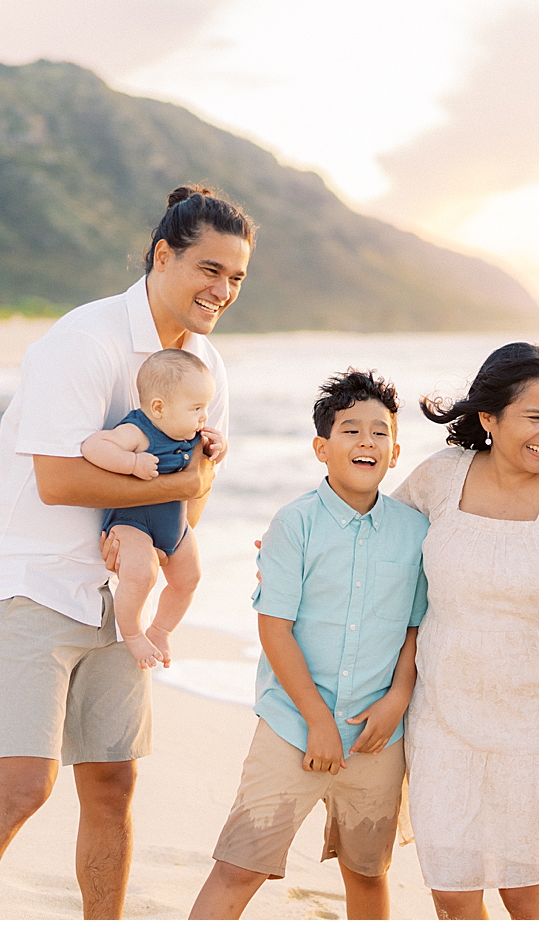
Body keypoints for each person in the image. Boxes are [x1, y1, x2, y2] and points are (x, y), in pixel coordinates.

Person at [0, 186, 254, 920]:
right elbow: (56, 478)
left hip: (120, 597)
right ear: (162, 256)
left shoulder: (207, 368)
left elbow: (194, 499)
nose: (222, 290)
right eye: (209, 269)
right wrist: (176, 481)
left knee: (112, 784)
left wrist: (173, 496)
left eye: (236, 277)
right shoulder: (85, 340)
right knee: (22, 785)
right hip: (31, 577)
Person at [390, 342, 539, 920]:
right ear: (488, 417)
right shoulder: (438, 479)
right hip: (442, 718)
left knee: (525, 894)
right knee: (451, 892)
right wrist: (291, 554)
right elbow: (375, 557)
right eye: (535, 415)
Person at [189, 370, 428, 921]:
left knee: (367, 874)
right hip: (293, 725)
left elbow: (416, 627)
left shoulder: (414, 531)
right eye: (350, 430)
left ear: (395, 451)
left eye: (380, 432)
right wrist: (317, 719)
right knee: (239, 866)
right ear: (322, 447)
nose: (366, 441)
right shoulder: (294, 524)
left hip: (375, 734)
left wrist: (397, 700)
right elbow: (274, 628)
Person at [81, 348, 222, 670]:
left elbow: (205, 470)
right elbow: (94, 446)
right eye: (196, 408)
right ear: (159, 408)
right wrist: (131, 461)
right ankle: (131, 632)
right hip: (132, 523)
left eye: (206, 408)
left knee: (189, 577)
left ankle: (160, 629)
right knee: (142, 574)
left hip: (174, 524)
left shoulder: (190, 434)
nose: (204, 417)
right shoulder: (137, 431)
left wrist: (218, 448)